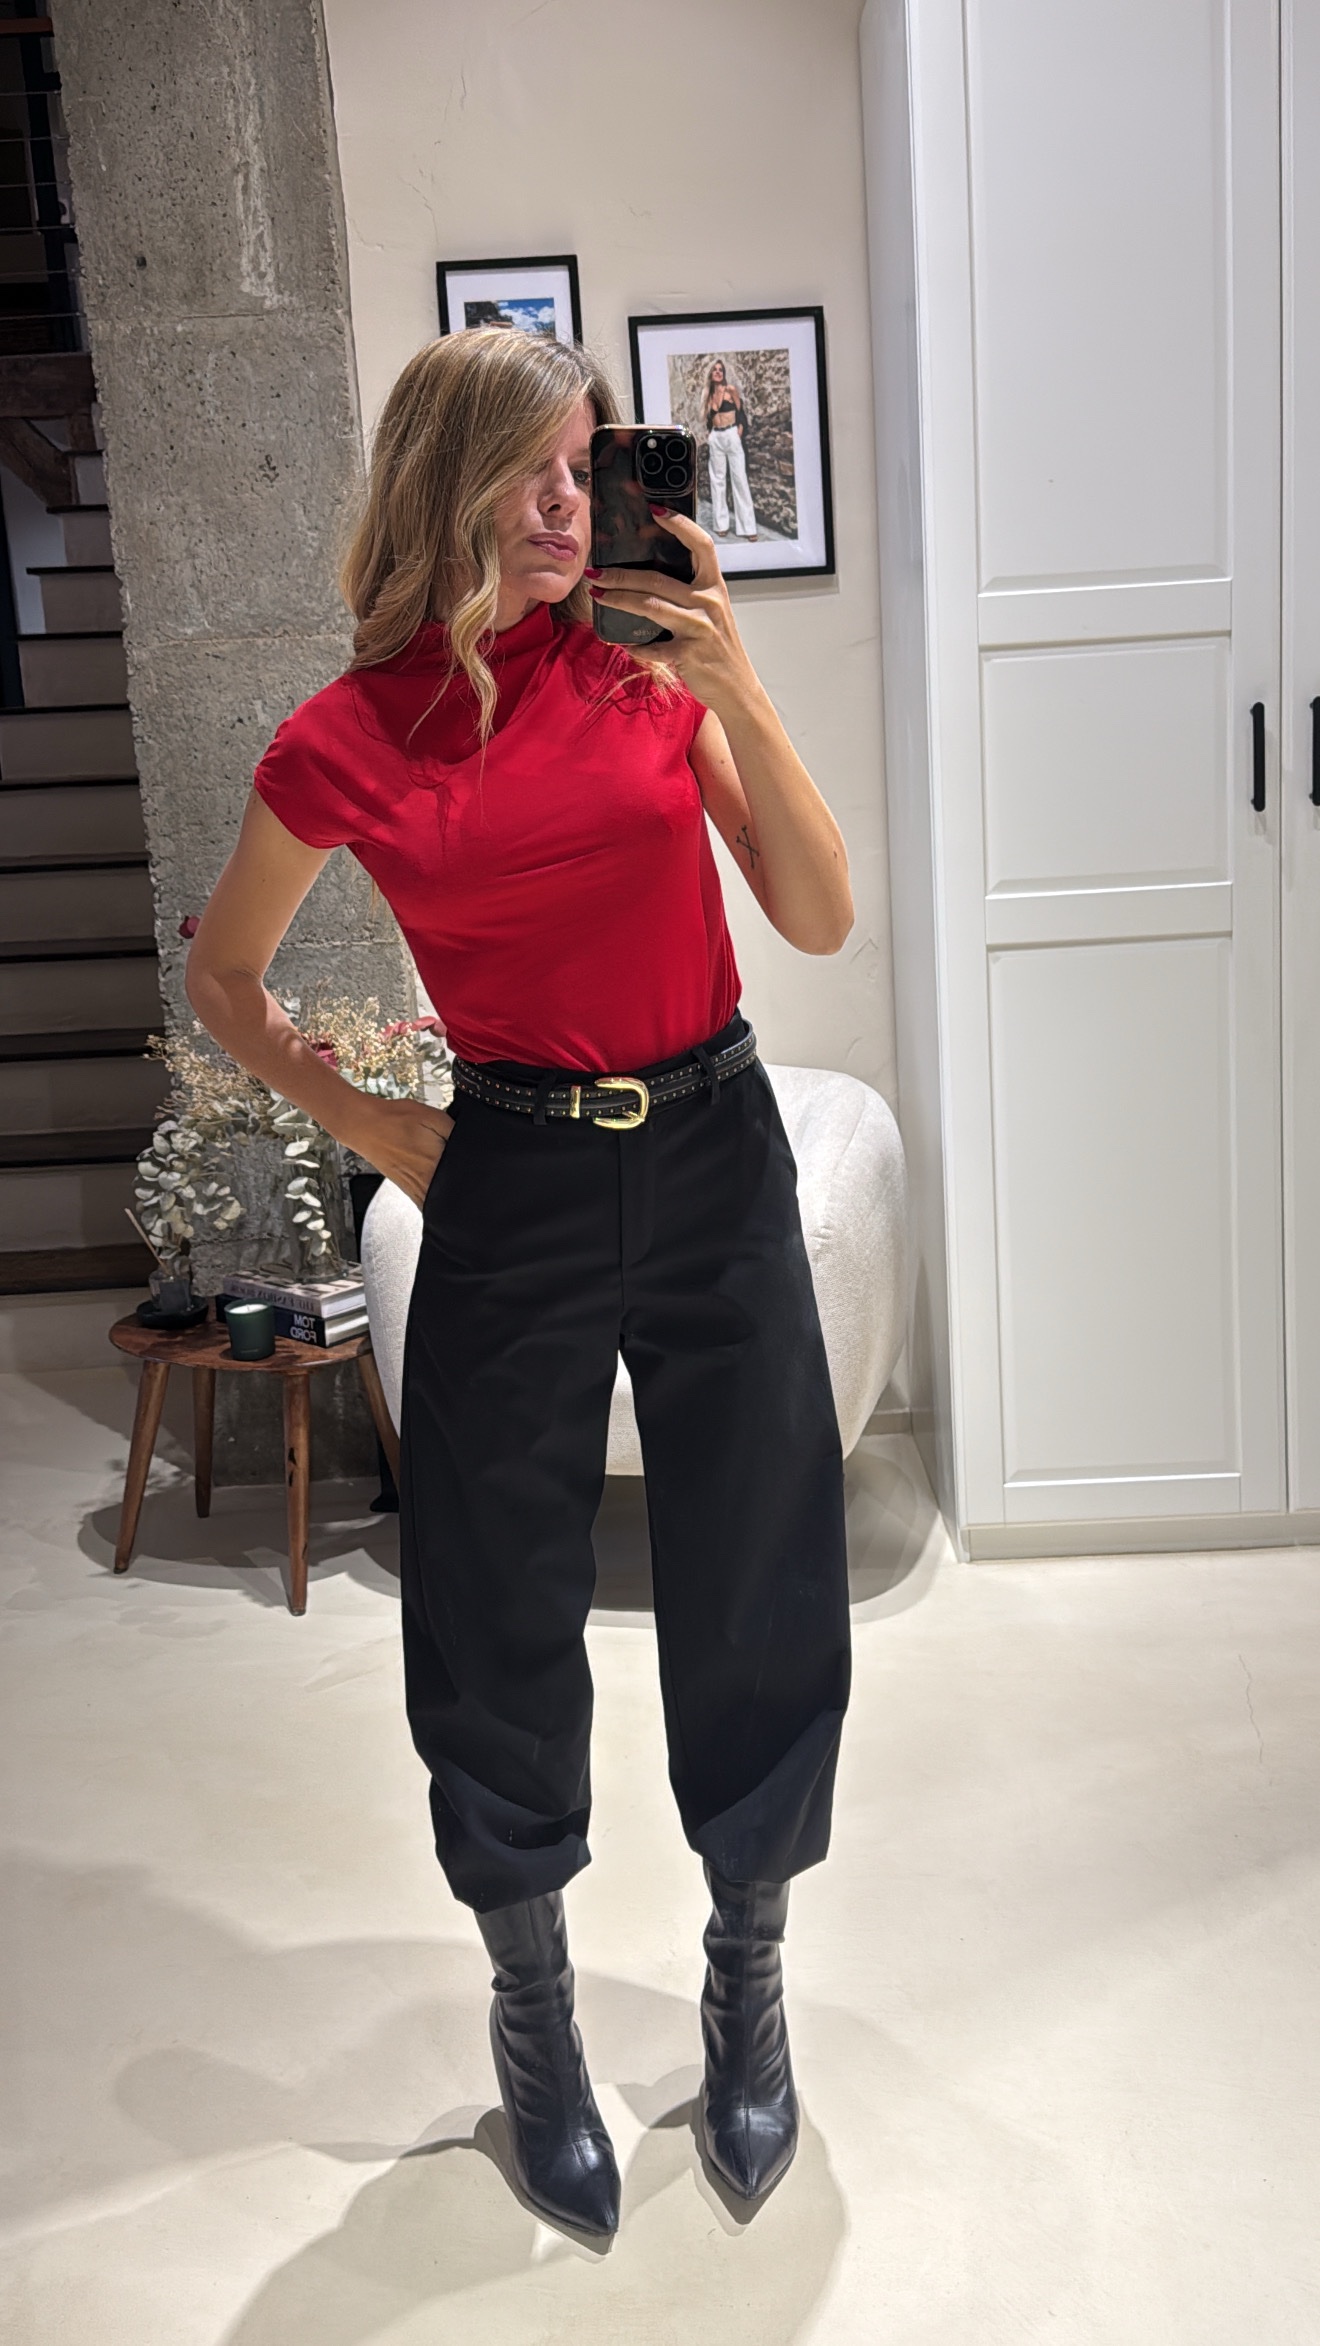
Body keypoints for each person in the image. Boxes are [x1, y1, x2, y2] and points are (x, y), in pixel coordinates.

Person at [184, 328, 853, 2239]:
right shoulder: (344, 739)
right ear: (450, 482)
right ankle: (535, 2013)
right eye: (540, 474)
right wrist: (374, 1123)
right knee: (490, 1599)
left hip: (714, 1149)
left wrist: (735, 680)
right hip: (515, 1178)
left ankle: (745, 1973)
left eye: (590, 468)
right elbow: (226, 980)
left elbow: (816, 913)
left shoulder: (645, 668)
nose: (576, 507)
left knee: (759, 1564)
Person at [703, 357, 758, 540]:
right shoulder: (708, 396)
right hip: (716, 437)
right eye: (715, 369)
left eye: (721, 369)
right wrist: (710, 436)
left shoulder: (730, 390)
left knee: (739, 478)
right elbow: (708, 419)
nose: (718, 372)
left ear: (724, 373)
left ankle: (748, 528)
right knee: (717, 480)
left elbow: (741, 412)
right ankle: (721, 525)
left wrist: (739, 430)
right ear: (711, 374)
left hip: (731, 434)